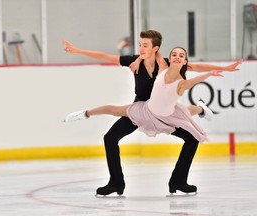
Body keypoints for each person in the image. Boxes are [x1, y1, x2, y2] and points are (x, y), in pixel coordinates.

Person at [62, 30, 242, 196]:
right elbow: (106, 56)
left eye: (145, 45)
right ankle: (116, 183)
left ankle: (179, 181)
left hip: (163, 113)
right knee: (110, 138)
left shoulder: (165, 64)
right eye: (140, 44)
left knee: (192, 137)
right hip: (140, 110)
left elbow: (193, 67)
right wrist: (78, 50)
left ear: (155, 48)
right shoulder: (134, 60)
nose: (141, 48)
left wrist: (225, 69)